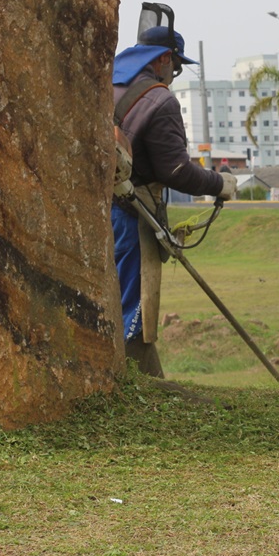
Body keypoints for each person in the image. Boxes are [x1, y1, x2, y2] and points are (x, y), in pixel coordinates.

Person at [112, 24, 237, 377]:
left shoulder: (106, 85)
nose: (173, 74)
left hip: (95, 211)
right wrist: (219, 184)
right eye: (176, 66)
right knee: (135, 305)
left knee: (110, 299)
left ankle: (144, 379)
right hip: (131, 217)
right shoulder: (160, 99)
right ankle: (137, 384)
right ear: (164, 59)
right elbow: (178, 171)